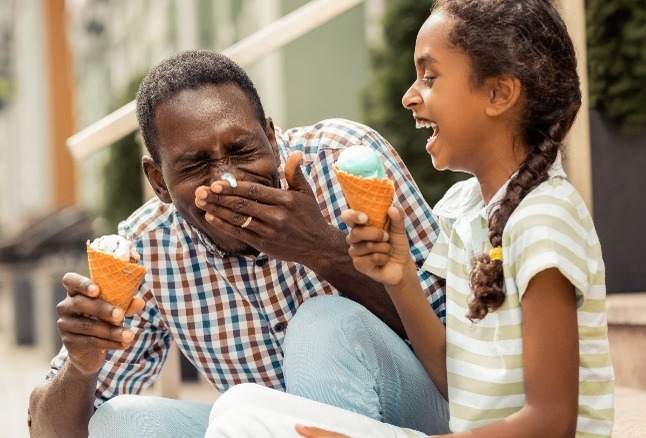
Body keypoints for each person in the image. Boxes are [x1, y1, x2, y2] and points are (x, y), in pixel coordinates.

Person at [204, 0, 615, 437]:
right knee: (238, 405)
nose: (410, 95)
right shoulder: (464, 210)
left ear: (498, 94)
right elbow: (454, 379)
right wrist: (399, 279)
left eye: (430, 77)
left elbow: (552, 423)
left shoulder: (545, 219)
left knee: (246, 423)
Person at [28, 49, 449, 437]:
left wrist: (322, 250)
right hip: (260, 425)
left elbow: (461, 340)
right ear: (158, 181)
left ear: (270, 134)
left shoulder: (345, 160)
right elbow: (47, 430)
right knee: (122, 425)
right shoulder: (148, 248)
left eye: (242, 150)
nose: (225, 180)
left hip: (414, 415)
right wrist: (80, 369)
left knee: (322, 324)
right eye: (194, 165)